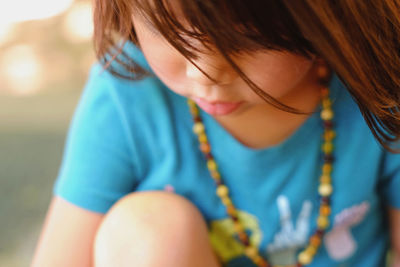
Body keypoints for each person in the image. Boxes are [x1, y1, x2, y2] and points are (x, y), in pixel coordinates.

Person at [31, 1, 400, 266]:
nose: (205, 75)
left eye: (246, 41)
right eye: (172, 36)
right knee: (146, 227)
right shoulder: (128, 92)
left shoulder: (379, 88)